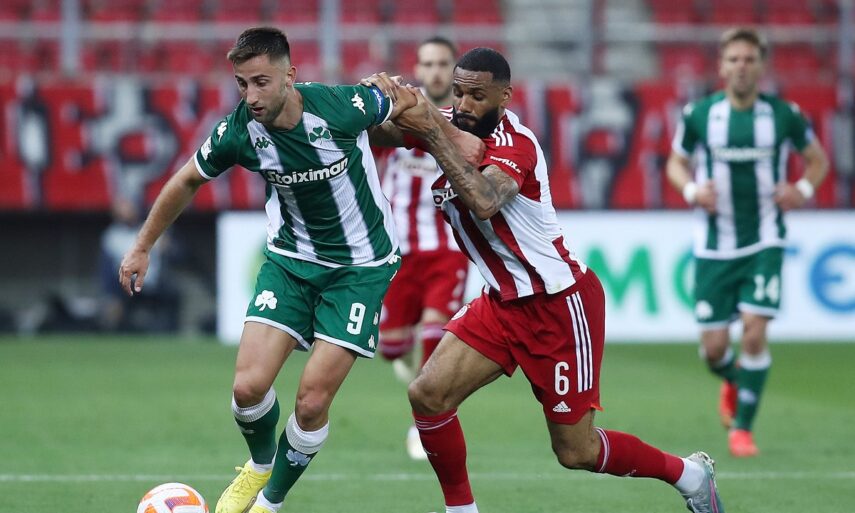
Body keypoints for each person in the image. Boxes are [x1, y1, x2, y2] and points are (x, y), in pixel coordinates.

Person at [118, 27, 479, 513]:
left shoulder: (340, 106)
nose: (251, 96)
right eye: (242, 84)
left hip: (360, 269)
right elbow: (186, 180)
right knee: (247, 389)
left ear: (290, 76)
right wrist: (143, 246)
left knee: (311, 402)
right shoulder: (239, 131)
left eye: (261, 82)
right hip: (290, 263)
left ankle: (270, 503)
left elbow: (405, 100)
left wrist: (452, 136)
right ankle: (259, 464)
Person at [366, 47, 725, 513]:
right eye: (458, 92)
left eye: (477, 95)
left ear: (504, 97)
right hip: (501, 304)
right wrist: (374, 103)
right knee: (427, 394)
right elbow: (383, 132)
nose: (465, 104)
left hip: (558, 305)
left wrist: (433, 132)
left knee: (577, 451)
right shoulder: (451, 122)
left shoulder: (517, 143)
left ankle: (690, 475)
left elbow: (484, 200)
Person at [666, 28, 828, 458]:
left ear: (761, 66)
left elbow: (817, 161)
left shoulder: (784, 115)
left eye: (749, 59)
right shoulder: (700, 114)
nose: (741, 66)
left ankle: (742, 429)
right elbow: (676, 164)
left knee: (755, 332)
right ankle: (734, 380)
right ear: (721, 66)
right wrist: (692, 190)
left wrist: (801, 190)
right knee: (713, 350)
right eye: (734, 59)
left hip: (765, 239)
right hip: (714, 246)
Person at [376, 36, 470, 460]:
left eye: (442, 63)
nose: (435, 71)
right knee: (390, 347)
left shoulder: (466, 122)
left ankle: (423, 422)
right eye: (428, 63)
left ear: (454, 70)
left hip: (447, 248)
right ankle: (404, 348)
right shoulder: (399, 114)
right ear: (417, 68)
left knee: (435, 330)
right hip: (400, 251)